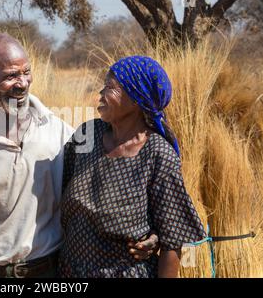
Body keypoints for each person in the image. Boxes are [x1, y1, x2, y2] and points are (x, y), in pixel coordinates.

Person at [0, 34, 158, 278]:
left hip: (51, 272)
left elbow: (105, 190)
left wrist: (149, 231)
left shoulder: (59, 131)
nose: (22, 83)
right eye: (11, 76)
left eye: (26, 72)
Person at [59, 56, 206, 278]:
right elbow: (60, 188)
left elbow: (174, 241)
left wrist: (155, 236)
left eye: (110, 87)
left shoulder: (157, 155)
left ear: (137, 99)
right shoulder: (87, 135)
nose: (100, 93)